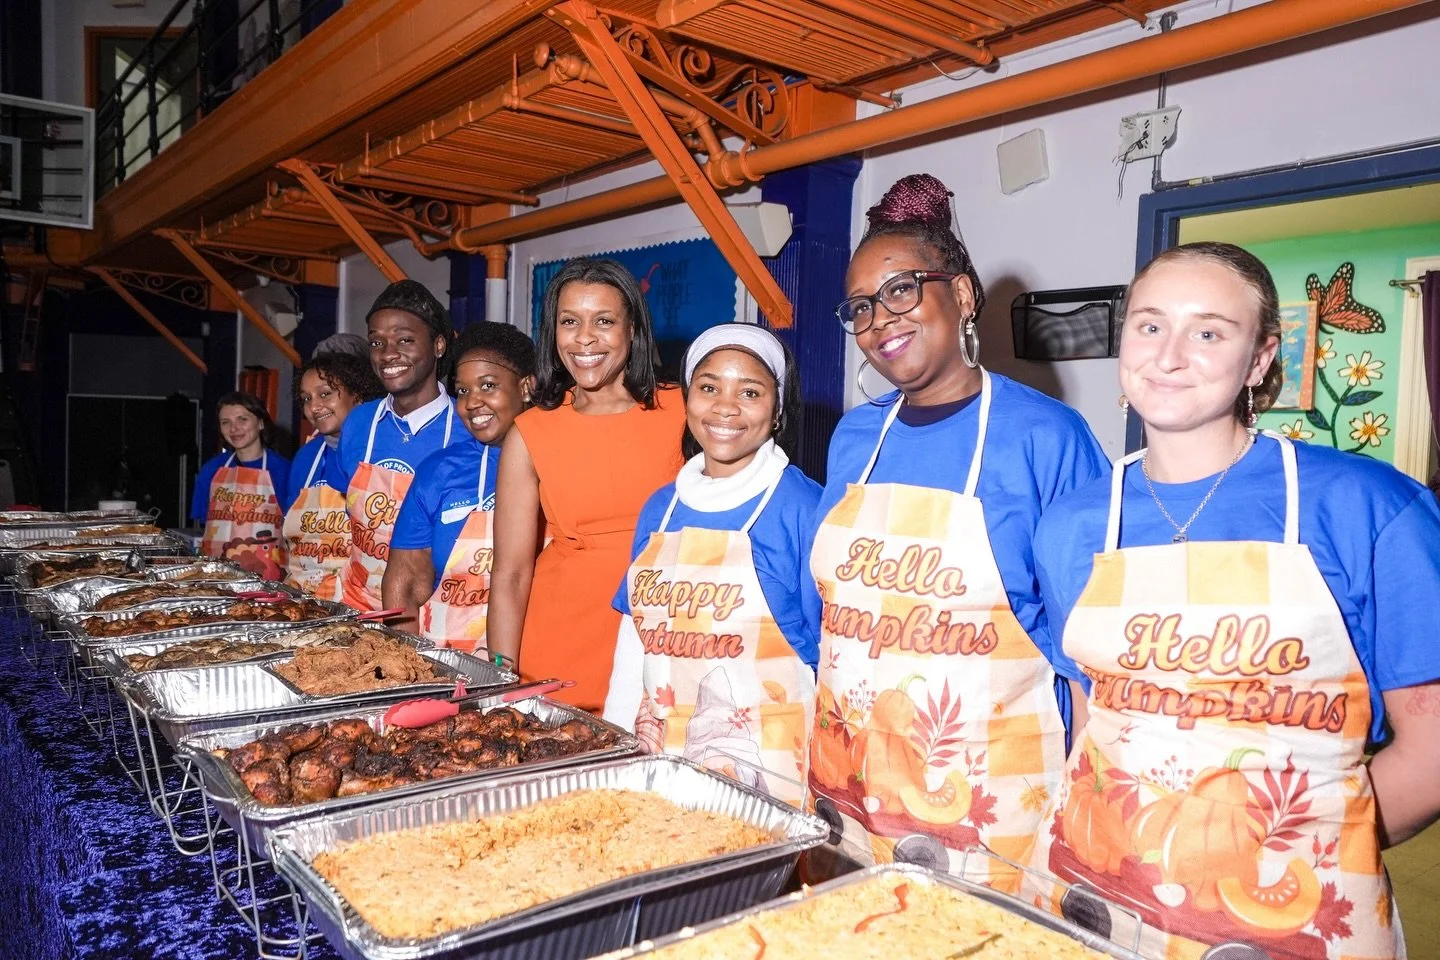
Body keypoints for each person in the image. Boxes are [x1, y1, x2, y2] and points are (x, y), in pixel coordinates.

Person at [1027, 242, 1440, 959]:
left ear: (1258, 361)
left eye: (1209, 332)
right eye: (1150, 326)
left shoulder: (1369, 507)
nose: (1169, 355)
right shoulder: (1071, 525)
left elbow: (1433, 750)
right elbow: (1092, 716)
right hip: (1095, 893)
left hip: (1292, 908)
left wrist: (1301, 842)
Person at [806, 174, 1108, 885]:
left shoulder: (1046, 436)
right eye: (860, 307)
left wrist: (1088, 809)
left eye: (902, 290)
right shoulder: (854, 437)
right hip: (852, 778)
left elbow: (1093, 644)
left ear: (963, 296)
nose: (880, 320)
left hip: (989, 794)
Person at [604, 324, 821, 805]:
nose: (726, 407)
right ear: (687, 399)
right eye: (708, 388)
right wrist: (613, 745)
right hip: (659, 757)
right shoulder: (659, 507)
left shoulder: (804, 508)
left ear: (778, 408)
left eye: (750, 391)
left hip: (770, 768)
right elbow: (632, 642)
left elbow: (831, 653)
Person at [488, 258, 686, 711]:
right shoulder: (531, 431)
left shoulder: (684, 410)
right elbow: (512, 572)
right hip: (559, 640)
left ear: (632, 328)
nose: (584, 338)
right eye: (569, 322)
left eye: (604, 321)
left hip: (662, 633)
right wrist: (500, 674)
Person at [384, 322, 536, 647]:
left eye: (488, 386)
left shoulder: (557, 461)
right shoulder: (439, 471)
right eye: (463, 390)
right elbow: (408, 579)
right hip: (450, 657)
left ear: (525, 387)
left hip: (536, 654)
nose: (471, 402)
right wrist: (408, 665)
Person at [337, 280, 461, 611]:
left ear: (438, 345)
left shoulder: (468, 431)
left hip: (436, 614)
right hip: (358, 606)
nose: (388, 353)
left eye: (405, 339)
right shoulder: (359, 424)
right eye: (377, 342)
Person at [283, 350, 384, 601]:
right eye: (306, 398)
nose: (313, 407)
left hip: (362, 601)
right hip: (304, 599)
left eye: (324, 394)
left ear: (357, 396)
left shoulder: (380, 453)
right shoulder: (306, 458)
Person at [191, 391, 291, 580]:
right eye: (225, 422)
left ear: (260, 423)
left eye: (242, 419)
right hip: (217, 576)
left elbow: (294, 531)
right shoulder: (210, 470)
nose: (234, 428)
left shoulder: (284, 470)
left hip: (269, 577)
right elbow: (205, 524)